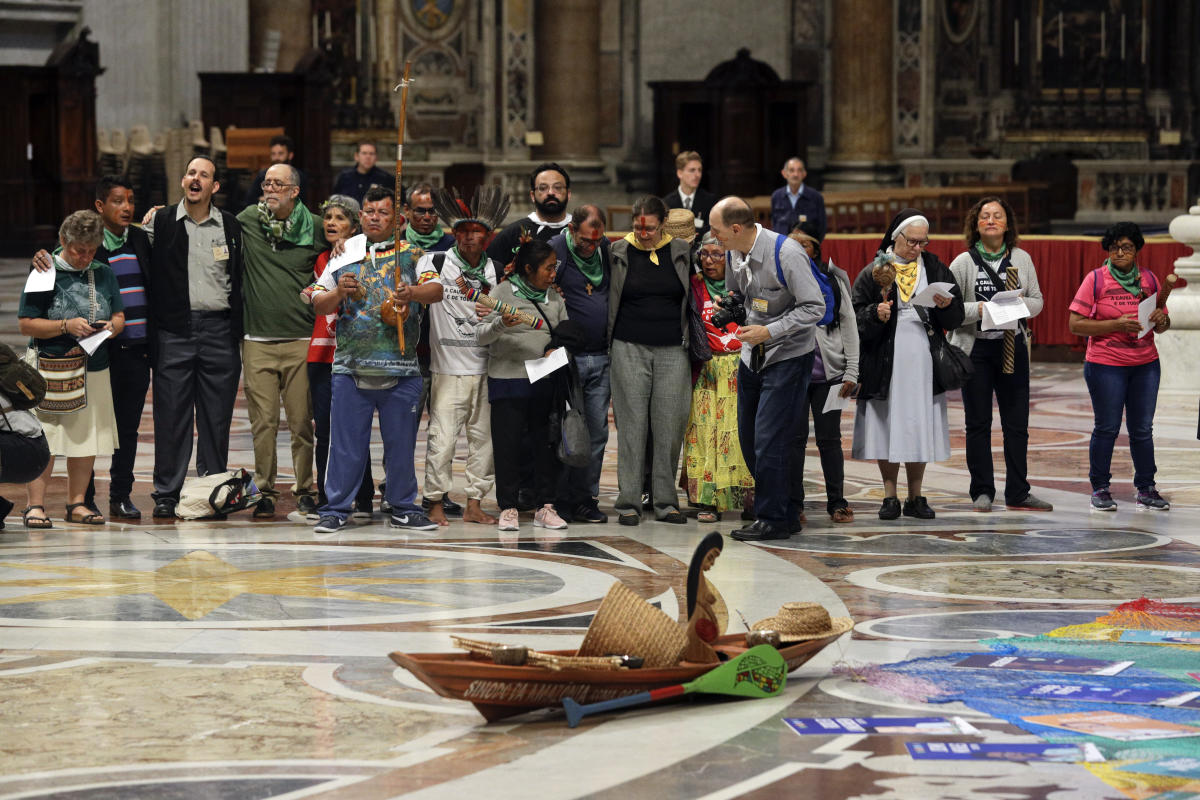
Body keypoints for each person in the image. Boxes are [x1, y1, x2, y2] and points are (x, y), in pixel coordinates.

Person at [307, 186, 440, 533]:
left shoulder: (413, 254)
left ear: (397, 219)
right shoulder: (344, 253)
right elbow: (318, 302)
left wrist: (412, 292)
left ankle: (403, 505)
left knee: (401, 445)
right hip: (351, 367)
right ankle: (335, 508)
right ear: (361, 216)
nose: (375, 217)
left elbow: (436, 290)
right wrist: (338, 292)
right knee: (346, 446)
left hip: (401, 368)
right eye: (369, 211)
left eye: (383, 212)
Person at [33, 176, 152, 519]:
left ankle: (121, 494)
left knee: (127, 428)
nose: (127, 207)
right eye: (118, 201)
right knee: (84, 428)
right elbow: (57, 258)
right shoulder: (87, 246)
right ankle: (83, 499)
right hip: (90, 354)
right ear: (100, 206)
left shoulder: (143, 240)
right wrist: (40, 255)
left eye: (130, 200)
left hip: (133, 349)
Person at [708, 197, 826, 541]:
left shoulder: (786, 253)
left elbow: (814, 307)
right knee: (749, 437)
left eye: (716, 231)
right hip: (752, 353)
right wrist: (730, 305)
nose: (713, 239)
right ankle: (787, 512)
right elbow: (741, 295)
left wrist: (770, 330)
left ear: (735, 228)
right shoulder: (734, 251)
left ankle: (773, 517)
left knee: (769, 438)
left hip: (787, 355)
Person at [144, 156, 245, 519]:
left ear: (214, 187)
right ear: (183, 181)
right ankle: (167, 492)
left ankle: (212, 487)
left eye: (204, 174)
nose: (196, 178)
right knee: (171, 415)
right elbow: (124, 250)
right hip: (175, 330)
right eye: (190, 173)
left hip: (219, 330)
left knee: (216, 417)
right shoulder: (160, 221)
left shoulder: (231, 226)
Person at [851, 208, 965, 521]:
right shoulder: (876, 269)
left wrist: (947, 305)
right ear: (895, 237)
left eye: (922, 243)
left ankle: (916, 494)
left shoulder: (934, 266)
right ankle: (889, 495)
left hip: (924, 358)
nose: (917, 248)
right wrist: (875, 313)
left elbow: (955, 317)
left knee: (919, 423)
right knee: (887, 424)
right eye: (912, 242)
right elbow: (853, 315)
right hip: (885, 360)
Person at [18, 210, 125, 527]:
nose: (85, 258)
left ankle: (77, 502)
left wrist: (111, 327)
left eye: (91, 251)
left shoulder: (104, 273)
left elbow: (119, 317)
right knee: (45, 438)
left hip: (93, 367)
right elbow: (26, 324)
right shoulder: (44, 271)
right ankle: (35, 505)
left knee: (86, 436)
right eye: (79, 251)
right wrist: (66, 325)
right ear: (64, 241)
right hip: (50, 366)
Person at [949, 196, 1052, 513]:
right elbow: (950, 311)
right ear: (975, 224)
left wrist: (1015, 307)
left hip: (1011, 345)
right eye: (984, 216)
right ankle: (982, 491)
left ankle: (1018, 491)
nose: (990, 220)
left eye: (997, 215)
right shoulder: (963, 263)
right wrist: (980, 309)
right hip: (976, 348)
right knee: (978, 423)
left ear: (1008, 224)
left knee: (1016, 423)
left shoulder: (1022, 258)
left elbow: (1037, 301)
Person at [236, 163, 325, 518]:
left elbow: (341, 250)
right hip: (257, 340)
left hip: (301, 339)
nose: (269, 189)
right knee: (263, 423)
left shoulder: (317, 227)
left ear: (294, 191)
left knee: (302, 423)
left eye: (278, 184)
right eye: (266, 183)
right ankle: (266, 490)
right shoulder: (247, 220)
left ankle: (305, 488)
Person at [420, 186, 512, 526]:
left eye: (476, 231)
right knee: (441, 441)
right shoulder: (435, 262)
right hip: (446, 369)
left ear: (489, 236)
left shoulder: (498, 270)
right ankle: (434, 503)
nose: (469, 237)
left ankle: (474, 504)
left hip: (488, 368)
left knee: (483, 443)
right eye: (462, 230)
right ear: (453, 233)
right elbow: (425, 292)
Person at [1068, 222, 1171, 512]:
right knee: (1108, 427)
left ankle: (1146, 487)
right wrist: (1116, 324)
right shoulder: (1096, 280)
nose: (1120, 252)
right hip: (1105, 364)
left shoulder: (1149, 279)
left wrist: (1163, 322)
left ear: (1137, 249)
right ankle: (1100, 488)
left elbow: (1161, 322)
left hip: (1145, 364)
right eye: (1114, 248)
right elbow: (1075, 324)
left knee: (1142, 429)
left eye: (1126, 247)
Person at [608, 195, 694, 525]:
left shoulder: (681, 252)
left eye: (650, 229)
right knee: (632, 426)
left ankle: (665, 501)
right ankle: (629, 501)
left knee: (669, 426)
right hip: (628, 346)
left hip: (674, 347)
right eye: (637, 228)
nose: (643, 234)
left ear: (663, 224)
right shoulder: (617, 252)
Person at [476, 239, 570, 532]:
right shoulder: (502, 293)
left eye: (554, 267)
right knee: (508, 447)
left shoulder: (554, 297)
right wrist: (501, 324)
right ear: (528, 269)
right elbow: (481, 335)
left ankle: (546, 506)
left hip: (543, 380)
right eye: (548, 268)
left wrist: (557, 349)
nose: (553, 273)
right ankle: (508, 507)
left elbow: (565, 332)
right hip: (507, 381)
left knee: (544, 446)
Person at [305, 195, 376, 520]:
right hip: (321, 353)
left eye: (340, 218)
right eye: (328, 217)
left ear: (354, 224)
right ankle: (326, 497)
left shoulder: (361, 254)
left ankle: (363, 496)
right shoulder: (324, 257)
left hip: (353, 352)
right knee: (325, 431)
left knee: (355, 427)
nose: (332, 223)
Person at [788, 222, 859, 524]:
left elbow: (849, 324)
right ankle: (794, 503)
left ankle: (837, 502)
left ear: (815, 249)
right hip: (792, 372)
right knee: (793, 439)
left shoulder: (832, 279)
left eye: (803, 244)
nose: (797, 249)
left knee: (829, 440)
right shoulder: (781, 279)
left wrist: (852, 370)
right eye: (792, 243)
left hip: (829, 375)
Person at [682, 232, 753, 523]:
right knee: (704, 434)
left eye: (716, 255)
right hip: (706, 369)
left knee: (740, 435)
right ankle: (707, 501)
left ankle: (748, 499)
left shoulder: (744, 285)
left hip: (741, 367)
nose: (709, 261)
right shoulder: (694, 287)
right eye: (704, 255)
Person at [548, 205, 612, 523]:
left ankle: (586, 498)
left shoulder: (606, 251)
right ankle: (559, 499)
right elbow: (537, 286)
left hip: (602, 355)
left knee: (597, 432)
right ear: (572, 230)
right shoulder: (557, 249)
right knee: (566, 430)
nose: (591, 246)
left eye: (596, 241)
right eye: (586, 240)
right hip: (568, 358)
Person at [486, 163, 572, 268]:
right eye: (543, 188)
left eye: (557, 187)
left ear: (568, 194)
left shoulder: (581, 232)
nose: (550, 192)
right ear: (532, 196)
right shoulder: (511, 234)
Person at [243, 134, 308, 209]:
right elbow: (250, 200)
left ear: (290, 155)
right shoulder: (263, 175)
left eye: (280, 154)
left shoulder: (299, 176)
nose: (276, 158)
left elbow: (300, 203)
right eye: (273, 154)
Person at [770, 157, 826, 239]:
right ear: (784, 173)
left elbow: (822, 227)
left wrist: (812, 247)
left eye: (799, 170)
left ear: (804, 174)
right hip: (783, 248)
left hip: (806, 249)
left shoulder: (816, 197)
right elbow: (775, 224)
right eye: (791, 170)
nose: (795, 174)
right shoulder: (776, 196)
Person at [663, 151, 716, 237]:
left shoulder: (710, 200)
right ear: (680, 173)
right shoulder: (667, 203)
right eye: (692, 170)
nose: (697, 174)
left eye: (700, 170)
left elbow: (711, 230)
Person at [331, 140, 394, 205]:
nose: (368, 157)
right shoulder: (344, 177)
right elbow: (335, 201)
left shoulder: (385, 178)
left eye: (371, 154)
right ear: (356, 156)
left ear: (376, 158)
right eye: (364, 153)